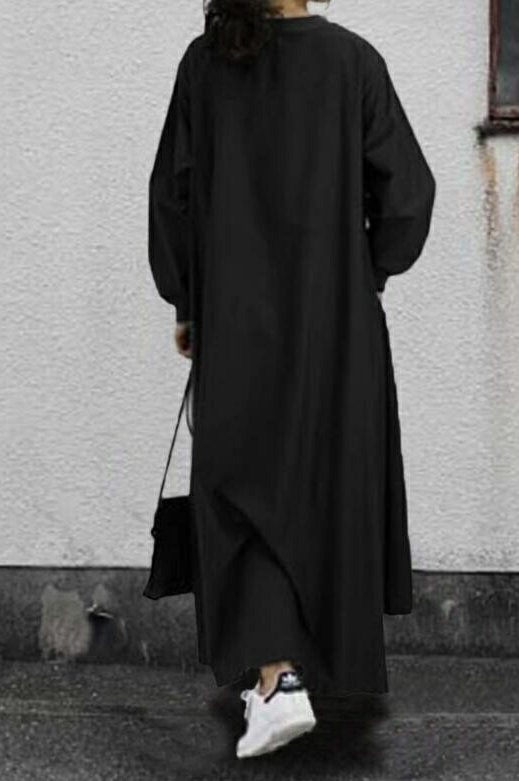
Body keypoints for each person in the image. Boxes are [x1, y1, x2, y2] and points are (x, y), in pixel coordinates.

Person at [147, 0, 436, 759]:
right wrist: (364, 269)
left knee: (244, 488)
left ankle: (276, 677)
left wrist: (187, 301)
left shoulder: (205, 65)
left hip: (235, 320)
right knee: (322, 480)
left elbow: (172, 195)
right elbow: (407, 195)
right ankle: (284, 676)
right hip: (333, 321)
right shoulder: (352, 62)